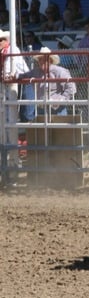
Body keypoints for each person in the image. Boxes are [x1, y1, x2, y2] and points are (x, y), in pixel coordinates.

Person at [0, 29, 30, 186]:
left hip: (20, 88)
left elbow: (8, 73)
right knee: (9, 124)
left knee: (18, 122)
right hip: (11, 90)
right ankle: (10, 165)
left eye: (0, 40)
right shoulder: (6, 51)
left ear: (6, 40)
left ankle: (13, 165)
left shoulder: (12, 51)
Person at [18, 47, 76, 117]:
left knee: (59, 127)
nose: (41, 62)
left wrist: (61, 99)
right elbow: (24, 76)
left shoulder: (60, 71)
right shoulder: (36, 71)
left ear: (50, 60)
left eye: (45, 59)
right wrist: (15, 76)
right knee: (41, 127)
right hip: (41, 109)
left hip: (57, 110)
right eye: (40, 59)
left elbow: (71, 88)